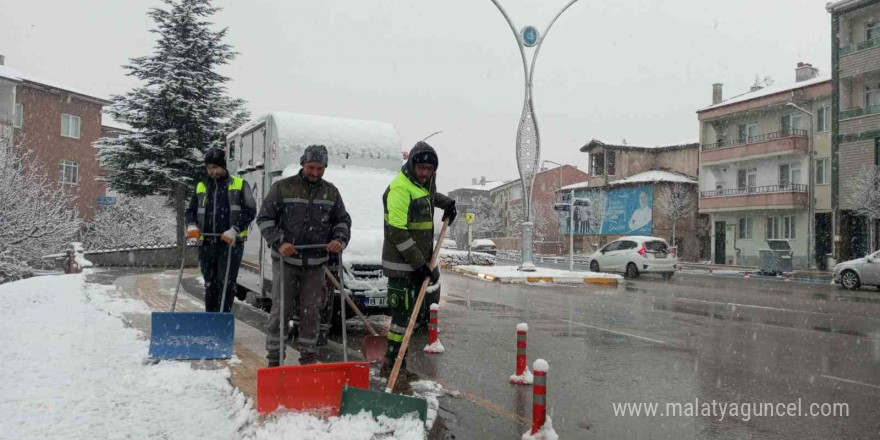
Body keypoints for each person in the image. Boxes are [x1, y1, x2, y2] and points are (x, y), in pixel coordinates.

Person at [257, 145, 351, 367]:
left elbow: (342, 221)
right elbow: (265, 219)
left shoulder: (331, 192)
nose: (315, 173)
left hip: (317, 263)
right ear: (303, 164)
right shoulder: (283, 188)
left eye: (320, 168)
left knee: (311, 312)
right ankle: (274, 358)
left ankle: (308, 357)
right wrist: (279, 242)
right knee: (281, 309)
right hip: (287, 261)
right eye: (311, 167)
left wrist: (339, 239)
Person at [380, 141, 456, 379]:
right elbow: (397, 232)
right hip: (402, 267)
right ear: (412, 164)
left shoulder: (422, 185)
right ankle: (392, 367)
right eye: (420, 168)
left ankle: (398, 365)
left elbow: (430, 196)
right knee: (401, 320)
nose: (424, 173)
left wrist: (448, 204)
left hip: (417, 265)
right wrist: (419, 264)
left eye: (429, 169)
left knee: (415, 319)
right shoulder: (400, 189)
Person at [184, 148, 256, 313]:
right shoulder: (201, 186)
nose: (212, 172)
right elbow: (190, 211)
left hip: (230, 245)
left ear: (223, 166)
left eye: (215, 167)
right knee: (210, 283)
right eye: (209, 168)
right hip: (207, 243)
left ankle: (223, 319)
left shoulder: (239, 184)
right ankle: (211, 319)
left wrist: (234, 229)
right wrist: (191, 225)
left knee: (227, 284)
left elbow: (250, 211)